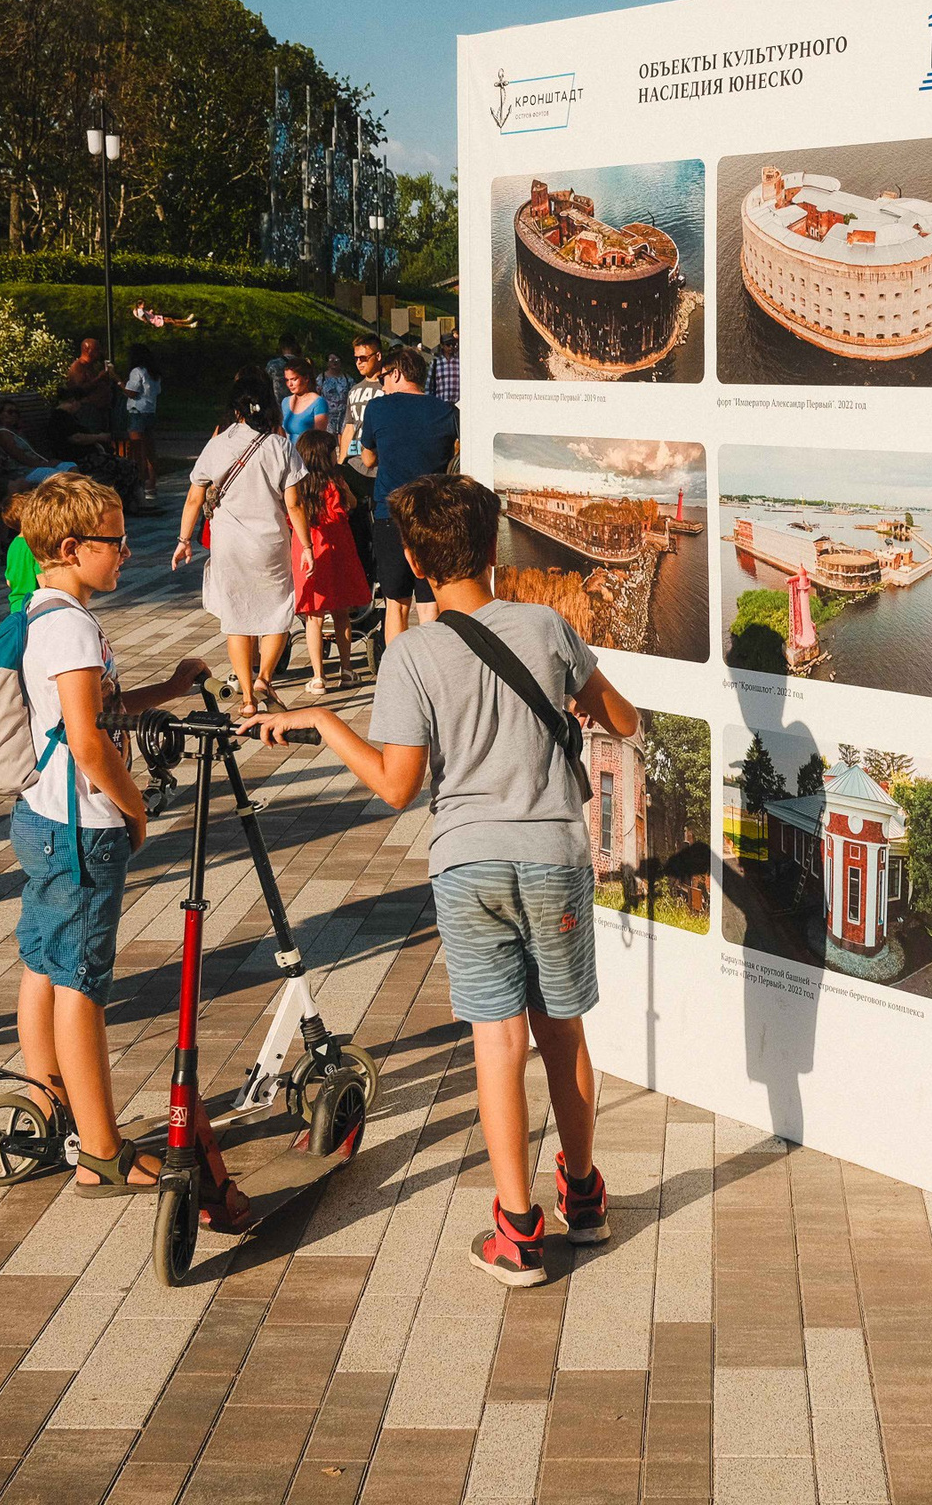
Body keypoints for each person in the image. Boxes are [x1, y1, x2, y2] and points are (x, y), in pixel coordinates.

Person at [243, 473, 637, 1285]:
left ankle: (518, 1231)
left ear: (416, 563)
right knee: (562, 1032)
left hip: (469, 864)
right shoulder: (546, 626)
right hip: (554, 858)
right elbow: (623, 719)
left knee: (499, 1043)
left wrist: (322, 721)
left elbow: (396, 785)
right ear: (493, 550)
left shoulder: (412, 654)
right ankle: (587, 1200)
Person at [7, 473, 249, 1224]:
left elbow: (94, 709)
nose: (127, 554)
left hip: (43, 819)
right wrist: (134, 807)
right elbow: (87, 739)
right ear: (73, 548)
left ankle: (49, 1099)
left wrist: (166, 688)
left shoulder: (43, 614)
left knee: (44, 961)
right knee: (82, 979)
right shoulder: (72, 626)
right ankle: (100, 1153)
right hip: (83, 827)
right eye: (115, 541)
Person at [172, 387, 310, 717]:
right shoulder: (280, 446)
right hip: (270, 544)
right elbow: (294, 502)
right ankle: (264, 678)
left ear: (236, 411)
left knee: (237, 617)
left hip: (228, 545)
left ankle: (247, 698)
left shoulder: (216, 444)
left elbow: (194, 497)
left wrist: (183, 539)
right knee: (277, 611)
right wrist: (306, 544)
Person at [359, 349, 460, 645]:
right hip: (433, 516)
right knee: (430, 602)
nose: (382, 385)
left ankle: (397, 672)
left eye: (383, 377)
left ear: (397, 373)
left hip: (390, 515)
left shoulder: (377, 409)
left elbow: (367, 459)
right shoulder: (447, 411)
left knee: (396, 602)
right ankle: (433, 670)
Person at [290, 430, 371, 692]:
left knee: (314, 616)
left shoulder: (298, 485)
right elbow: (351, 504)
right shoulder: (336, 481)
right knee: (341, 612)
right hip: (339, 550)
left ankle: (317, 676)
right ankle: (346, 670)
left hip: (309, 550)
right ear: (324, 457)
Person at [337, 335, 386, 586]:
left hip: (379, 468)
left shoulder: (387, 387)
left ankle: (380, 570)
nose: (358, 363)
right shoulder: (354, 390)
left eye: (363, 357)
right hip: (354, 465)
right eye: (355, 358)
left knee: (380, 522)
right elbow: (348, 426)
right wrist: (342, 460)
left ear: (378, 356)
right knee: (357, 523)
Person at [123, 342, 162, 506]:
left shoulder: (137, 372)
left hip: (137, 412)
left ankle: (138, 486)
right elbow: (157, 392)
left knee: (137, 451)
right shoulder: (154, 373)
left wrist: (118, 382)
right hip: (150, 412)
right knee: (150, 452)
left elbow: (131, 392)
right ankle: (151, 486)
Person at [281, 358, 328, 442]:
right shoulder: (285, 402)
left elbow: (320, 437)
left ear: (306, 378)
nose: (290, 384)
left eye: (294, 379)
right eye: (287, 380)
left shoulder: (318, 402)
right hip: (289, 452)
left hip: (308, 452)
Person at [265, 333, 311, 406]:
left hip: (277, 407)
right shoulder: (303, 364)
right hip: (300, 406)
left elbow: (265, 386)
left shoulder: (272, 365)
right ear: (295, 346)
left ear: (280, 347)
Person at [430, 332, 462, 405]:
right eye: (448, 345)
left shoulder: (460, 362)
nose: (451, 347)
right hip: (440, 404)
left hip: (457, 405)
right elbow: (429, 386)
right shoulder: (435, 363)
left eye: (453, 344)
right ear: (442, 346)